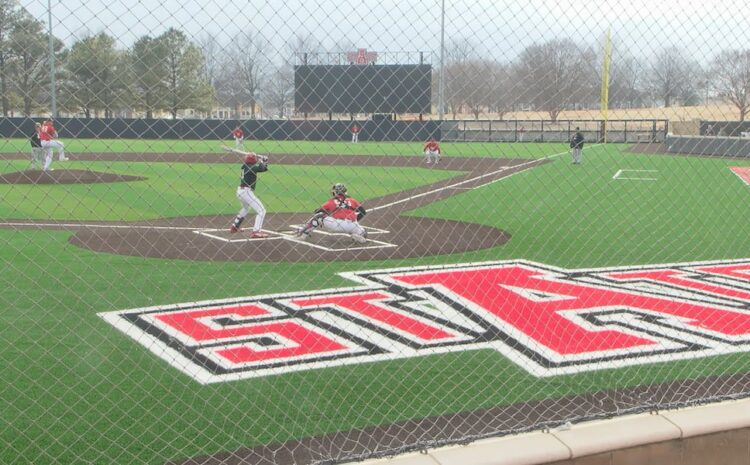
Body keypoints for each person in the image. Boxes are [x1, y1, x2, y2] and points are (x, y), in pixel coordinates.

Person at [296, 183, 367, 243]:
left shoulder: (332, 201)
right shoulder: (352, 200)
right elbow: (363, 212)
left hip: (337, 225)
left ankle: (303, 234)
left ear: (336, 192)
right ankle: (360, 235)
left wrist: (327, 214)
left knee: (319, 216)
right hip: (353, 225)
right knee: (364, 232)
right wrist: (355, 221)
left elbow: (318, 211)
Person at [229, 151, 269, 238]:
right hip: (246, 192)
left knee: (246, 208)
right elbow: (262, 169)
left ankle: (235, 226)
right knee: (261, 210)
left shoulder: (244, 166)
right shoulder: (251, 167)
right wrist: (263, 160)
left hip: (240, 191)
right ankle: (256, 231)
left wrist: (263, 161)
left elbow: (263, 168)